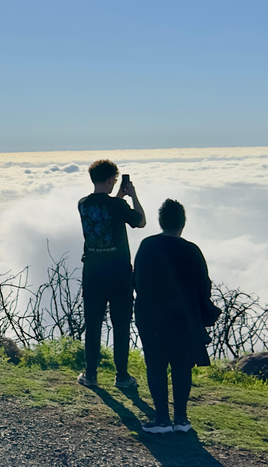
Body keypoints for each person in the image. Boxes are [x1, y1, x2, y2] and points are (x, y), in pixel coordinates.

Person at [134, 199, 219, 434]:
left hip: (151, 317)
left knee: (156, 365)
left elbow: (138, 281)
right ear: (183, 223)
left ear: (161, 222)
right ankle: (181, 418)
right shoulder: (191, 250)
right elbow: (204, 286)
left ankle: (161, 418)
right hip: (185, 319)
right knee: (182, 366)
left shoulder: (147, 246)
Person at [77, 159, 146, 388]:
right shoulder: (118, 207)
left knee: (93, 322)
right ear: (110, 180)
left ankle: (90, 374)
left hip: (93, 272)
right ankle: (122, 376)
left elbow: (103, 213)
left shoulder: (83, 204)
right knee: (121, 323)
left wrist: (118, 196)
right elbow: (140, 221)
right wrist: (132, 195)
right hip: (118, 273)